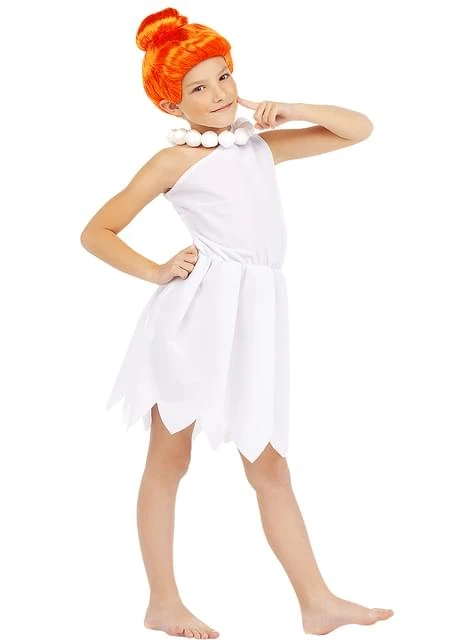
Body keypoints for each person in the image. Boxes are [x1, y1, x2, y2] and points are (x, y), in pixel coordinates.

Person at [80, 6, 393, 639]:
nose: (219, 94)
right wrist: (156, 270)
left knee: (269, 462)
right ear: (171, 105)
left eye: (223, 76)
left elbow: (357, 130)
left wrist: (290, 108)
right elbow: (97, 231)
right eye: (198, 87)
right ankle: (163, 601)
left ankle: (317, 602)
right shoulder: (172, 162)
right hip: (197, 315)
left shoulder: (257, 148)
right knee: (169, 457)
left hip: (256, 316)